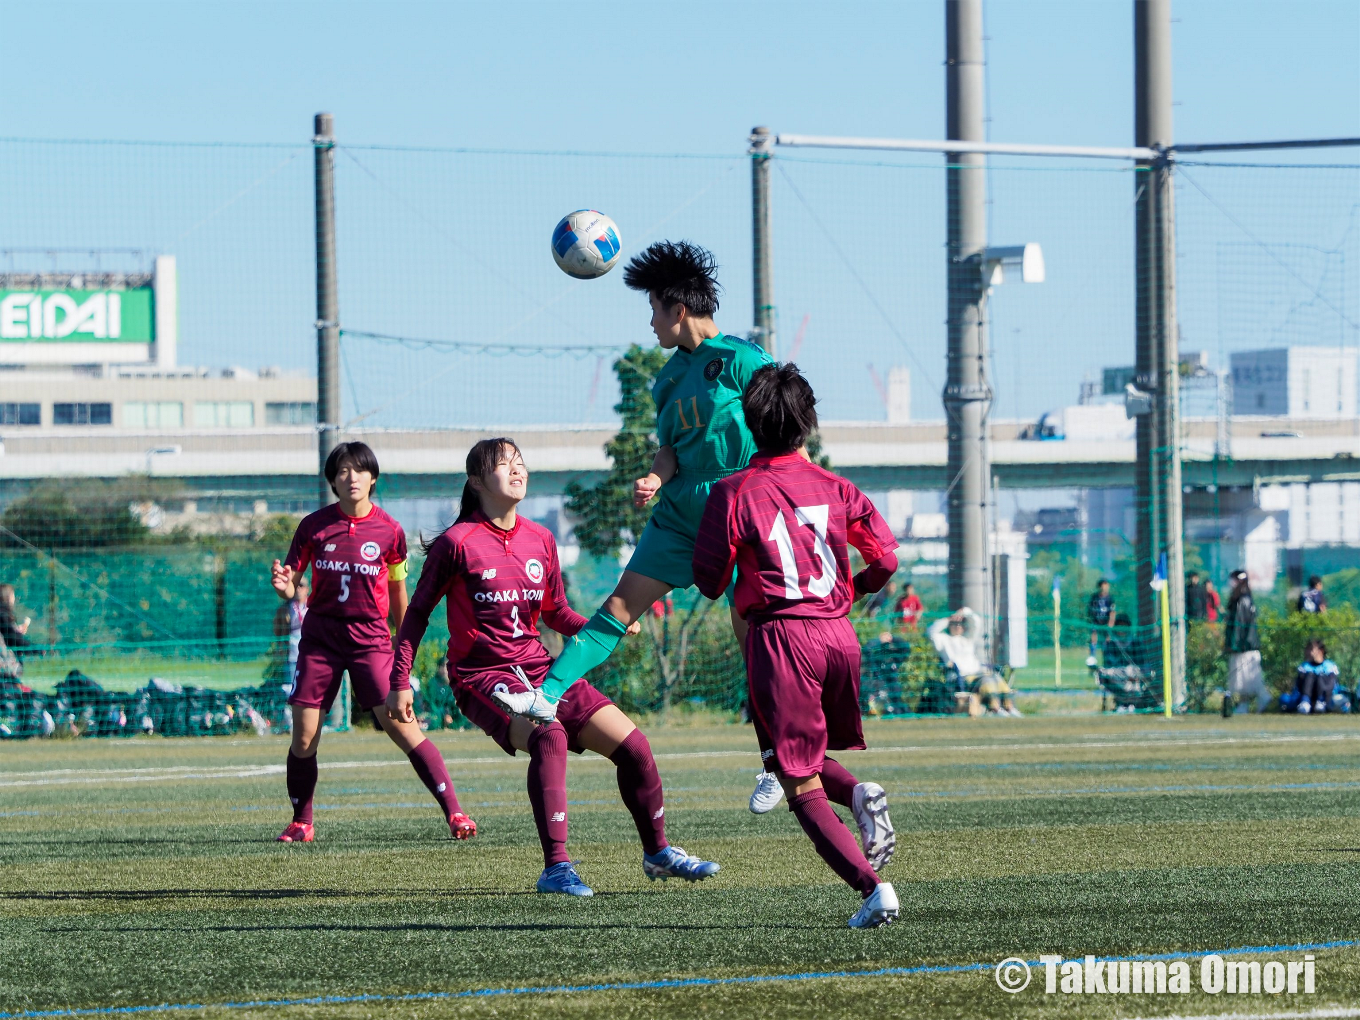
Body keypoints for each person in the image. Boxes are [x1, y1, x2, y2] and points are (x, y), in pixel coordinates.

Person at [492, 240, 777, 806]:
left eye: (652, 310)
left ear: (677, 309)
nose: (649, 324)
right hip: (676, 518)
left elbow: (785, 429)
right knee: (617, 609)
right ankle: (546, 695)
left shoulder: (747, 362)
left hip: (738, 514)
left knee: (755, 644)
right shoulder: (666, 380)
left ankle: (774, 760)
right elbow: (670, 449)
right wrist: (655, 475)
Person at [389, 438, 719, 897]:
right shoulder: (456, 543)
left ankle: (658, 853)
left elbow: (555, 613)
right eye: (504, 464)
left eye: (520, 462)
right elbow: (417, 614)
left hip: (544, 669)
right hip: (482, 678)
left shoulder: (540, 539)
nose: (517, 469)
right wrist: (399, 680)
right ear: (477, 482)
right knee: (549, 735)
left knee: (636, 748)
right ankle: (557, 868)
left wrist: (607, 626)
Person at [692, 363, 900, 929]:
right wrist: (846, 595)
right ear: (808, 424)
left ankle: (872, 888)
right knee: (801, 756)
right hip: (839, 636)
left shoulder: (735, 491)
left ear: (749, 425)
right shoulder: (838, 488)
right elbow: (885, 559)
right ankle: (858, 796)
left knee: (797, 779)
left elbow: (711, 581)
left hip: (783, 640)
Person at [270, 442, 473, 844]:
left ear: (372, 478)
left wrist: (404, 644)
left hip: (371, 642)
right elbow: (291, 580)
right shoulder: (313, 526)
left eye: (358, 470)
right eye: (342, 471)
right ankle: (302, 821)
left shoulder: (391, 532)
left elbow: (399, 593)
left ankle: (455, 813)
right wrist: (285, 586)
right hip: (321, 641)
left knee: (403, 727)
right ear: (332, 481)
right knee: (305, 735)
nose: (351, 478)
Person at [928, 609, 1020, 717]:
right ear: (949, 625)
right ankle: (995, 709)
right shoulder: (943, 640)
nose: (958, 626)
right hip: (961, 677)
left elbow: (976, 621)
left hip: (977, 673)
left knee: (996, 677)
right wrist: (949, 619)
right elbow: (930, 631)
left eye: (960, 624)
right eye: (954, 624)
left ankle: (1009, 707)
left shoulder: (968, 639)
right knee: (986, 680)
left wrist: (964, 612)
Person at [1223, 569, 1270, 714]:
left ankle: (1261, 698)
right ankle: (1244, 704)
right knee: (1243, 680)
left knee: (1248, 679)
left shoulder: (1242, 600)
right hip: (1245, 646)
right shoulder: (1243, 599)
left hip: (1244, 647)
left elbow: (1239, 626)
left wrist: (1233, 645)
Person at [272, 573, 309, 691]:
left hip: (310, 655)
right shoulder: (285, 608)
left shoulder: (313, 606)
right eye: (295, 585)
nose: (298, 589)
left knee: (308, 686)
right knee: (291, 687)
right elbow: (278, 630)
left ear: (307, 589)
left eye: (301, 585)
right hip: (291, 655)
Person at [1294, 638, 1339, 715]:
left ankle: (1321, 701)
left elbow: (1332, 684)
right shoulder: (1304, 666)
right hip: (1309, 695)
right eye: (1307, 649)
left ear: (1321, 651)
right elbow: (1298, 684)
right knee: (1310, 675)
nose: (1308, 652)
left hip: (1326, 696)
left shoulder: (1329, 666)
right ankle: (1305, 702)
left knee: (1321, 676)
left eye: (1311, 649)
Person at [0, 584, 35, 660]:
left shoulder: (4, 615)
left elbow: (8, 633)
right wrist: (35, 649)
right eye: (13, 595)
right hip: (6, 663)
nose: (14, 598)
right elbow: (12, 637)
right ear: (7, 597)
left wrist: (16, 631)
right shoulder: (3, 615)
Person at [1086, 580, 1116, 667]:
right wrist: (1091, 618)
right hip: (1096, 621)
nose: (1105, 588)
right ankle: (1092, 657)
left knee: (1107, 640)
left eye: (1106, 586)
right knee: (1093, 637)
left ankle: (1107, 658)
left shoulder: (1110, 598)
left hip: (1106, 623)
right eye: (1103, 586)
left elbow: (1112, 612)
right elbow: (1090, 610)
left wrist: (1111, 623)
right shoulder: (1095, 597)